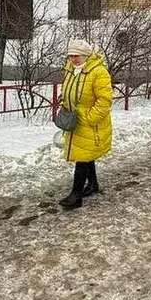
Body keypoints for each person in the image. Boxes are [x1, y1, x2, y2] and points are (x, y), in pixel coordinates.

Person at [58, 39, 114, 210]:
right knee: (85, 154)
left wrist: (90, 118)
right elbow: (70, 89)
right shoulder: (71, 70)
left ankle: (76, 195)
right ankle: (93, 184)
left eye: (76, 56)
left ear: (85, 55)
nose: (73, 59)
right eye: (70, 55)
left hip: (90, 123)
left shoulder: (98, 72)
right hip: (76, 120)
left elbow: (105, 100)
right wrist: (64, 98)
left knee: (82, 158)